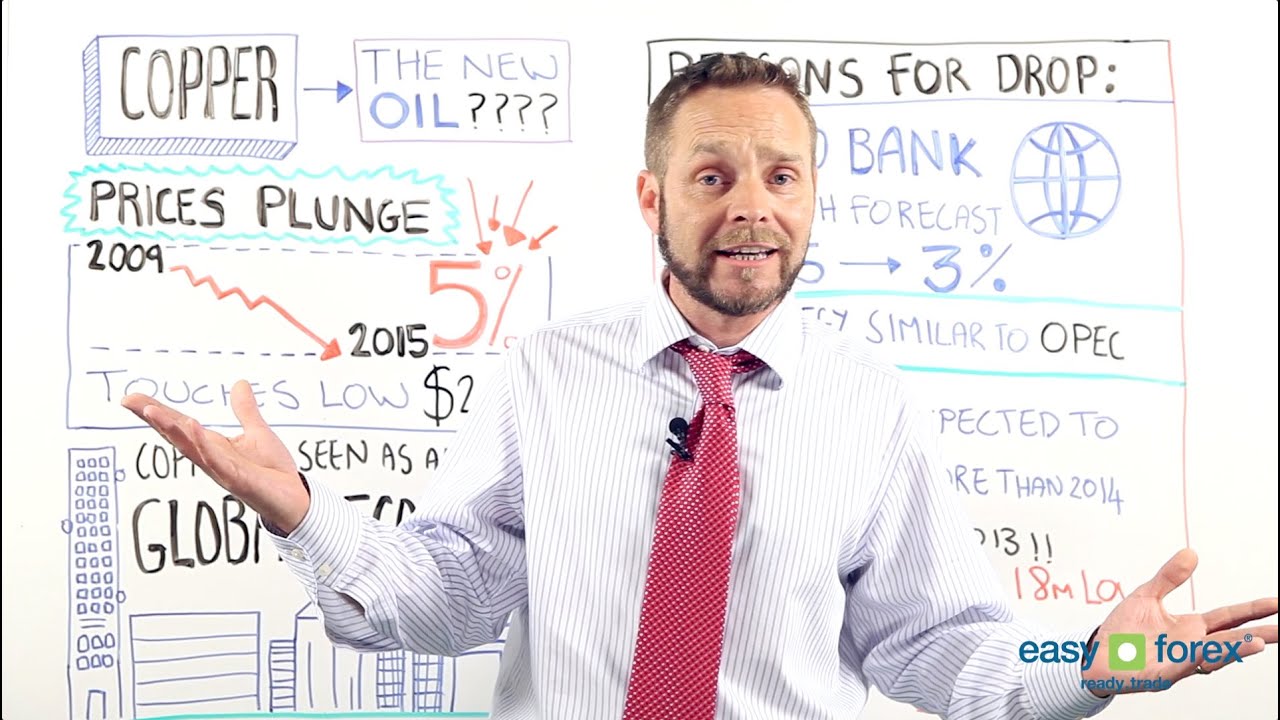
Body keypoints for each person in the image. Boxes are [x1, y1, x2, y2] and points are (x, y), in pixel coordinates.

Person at [122, 53, 1276, 720]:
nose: (750, 207)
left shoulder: (867, 403)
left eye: (780, 175)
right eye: (712, 175)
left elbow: (938, 645)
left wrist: (1092, 664)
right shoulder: (546, 374)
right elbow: (444, 605)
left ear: (812, 195)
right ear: (652, 198)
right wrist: (305, 517)